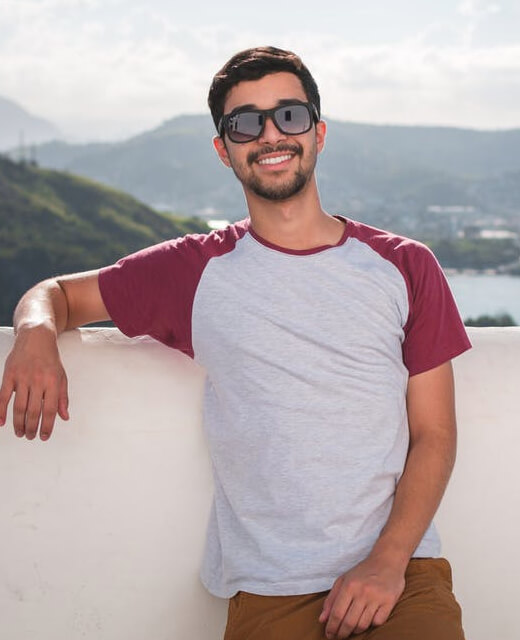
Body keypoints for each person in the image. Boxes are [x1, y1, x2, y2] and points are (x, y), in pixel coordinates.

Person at [0, 46, 471, 640]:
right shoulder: (196, 270)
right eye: (245, 123)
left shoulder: (405, 265)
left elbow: (435, 434)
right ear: (224, 149)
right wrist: (35, 334)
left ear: (319, 133)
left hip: (400, 579)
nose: (271, 135)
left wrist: (387, 562)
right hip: (270, 592)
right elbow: (59, 295)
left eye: (290, 116)